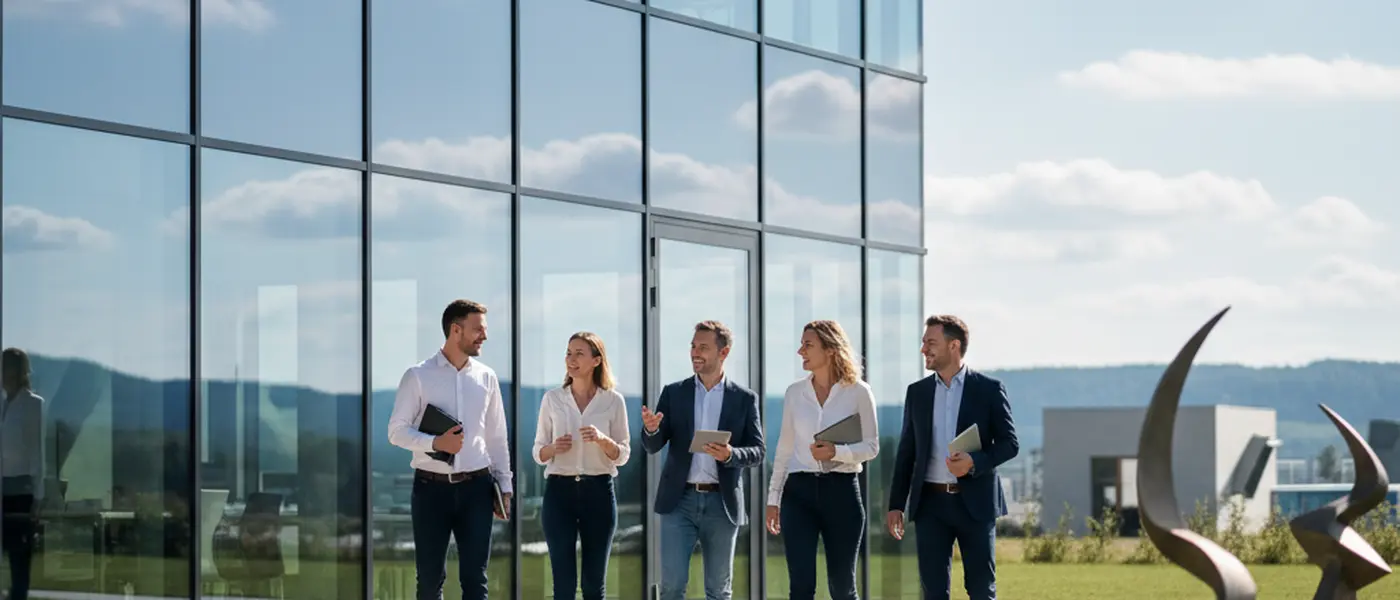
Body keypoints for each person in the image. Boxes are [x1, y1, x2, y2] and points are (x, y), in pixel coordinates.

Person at [387, 300, 513, 600]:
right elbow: (396, 431)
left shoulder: (486, 377)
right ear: (455, 330)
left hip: (478, 489)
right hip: (431, 490)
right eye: (478, 329)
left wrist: (505, 485)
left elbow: (497, 437)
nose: (484, 336)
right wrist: (435, 443)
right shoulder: (417, 376)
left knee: (475, 581)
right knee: (430, 581)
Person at [886, 315, 1019, 600]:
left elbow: (1010, 444)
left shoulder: (988, 389)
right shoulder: (917, 393)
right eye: (923, 343)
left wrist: (974, 462)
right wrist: (896, 504)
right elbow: (906, 452)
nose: (924, 349)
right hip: (930, 506)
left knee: (982, 591)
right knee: (933, 593)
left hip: (976, 504)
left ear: (953, 346)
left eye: (930, 342)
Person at [641, 320, 764, 600]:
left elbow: (758, 451)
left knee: (719, 591)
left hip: (722, 504)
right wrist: (651, 429)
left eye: (703, 347)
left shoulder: (744, 399)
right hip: (678, 502)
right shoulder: (673, 393)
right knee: (671, 588)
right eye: (693, 346)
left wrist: (732, 454)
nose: (695, 352)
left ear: (724, 352)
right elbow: (653, 446)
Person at [765, 321, 879, 600]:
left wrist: (836, 453)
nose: (800, 351)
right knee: (801, 587)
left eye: (808, 345)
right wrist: (773, 499)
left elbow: (872, 446)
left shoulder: (859, 392)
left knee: (842, 588)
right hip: (798, 494)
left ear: (829, 349)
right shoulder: (795, 393)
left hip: (842, 492)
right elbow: (784, 449)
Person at [532, 332, 631, 600]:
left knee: (593, 585)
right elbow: (538, 451)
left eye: (579, 354)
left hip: (599, 492)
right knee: (563, 586)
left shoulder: (613, 401)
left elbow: (623, 454)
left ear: (596, 360)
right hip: (559, 494)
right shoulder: (552, 399)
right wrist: (553, 449)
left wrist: (601, 440)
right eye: (568, 353)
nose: (571, 359)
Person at [1, 347, 43, 600]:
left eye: (8, 368)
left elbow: (38, 452)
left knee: (18, 559)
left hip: (20, 492)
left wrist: (37, 498)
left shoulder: (32, 405)